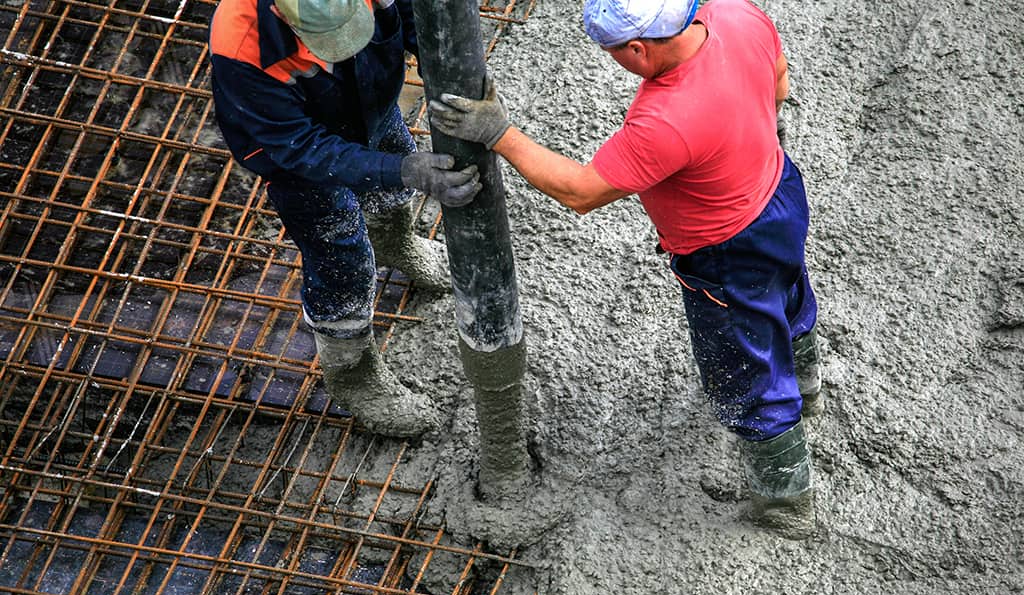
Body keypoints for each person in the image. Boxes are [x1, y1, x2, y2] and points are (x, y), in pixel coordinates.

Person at [428, 0, 823, 538]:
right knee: (788, 293)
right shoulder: (734, 14)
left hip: (725, 250)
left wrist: (500, 134)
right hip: (778, 191)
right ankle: (807, 383)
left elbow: (581, 191)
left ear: (639, 48)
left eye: (613, 53)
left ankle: (787, 504)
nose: (613, 61)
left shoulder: (667, 117)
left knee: (745, 369)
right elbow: (777, 82)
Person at [209, 0, 481, 438]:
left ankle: (397, 244)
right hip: (296, 151)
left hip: (367, 98)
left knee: (391, 177)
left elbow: (417, 19)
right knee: (342, 255)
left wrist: (446, 71)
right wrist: (404, 168)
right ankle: (353, 375)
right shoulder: (243, 44)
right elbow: (297, 146)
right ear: (282, 14)